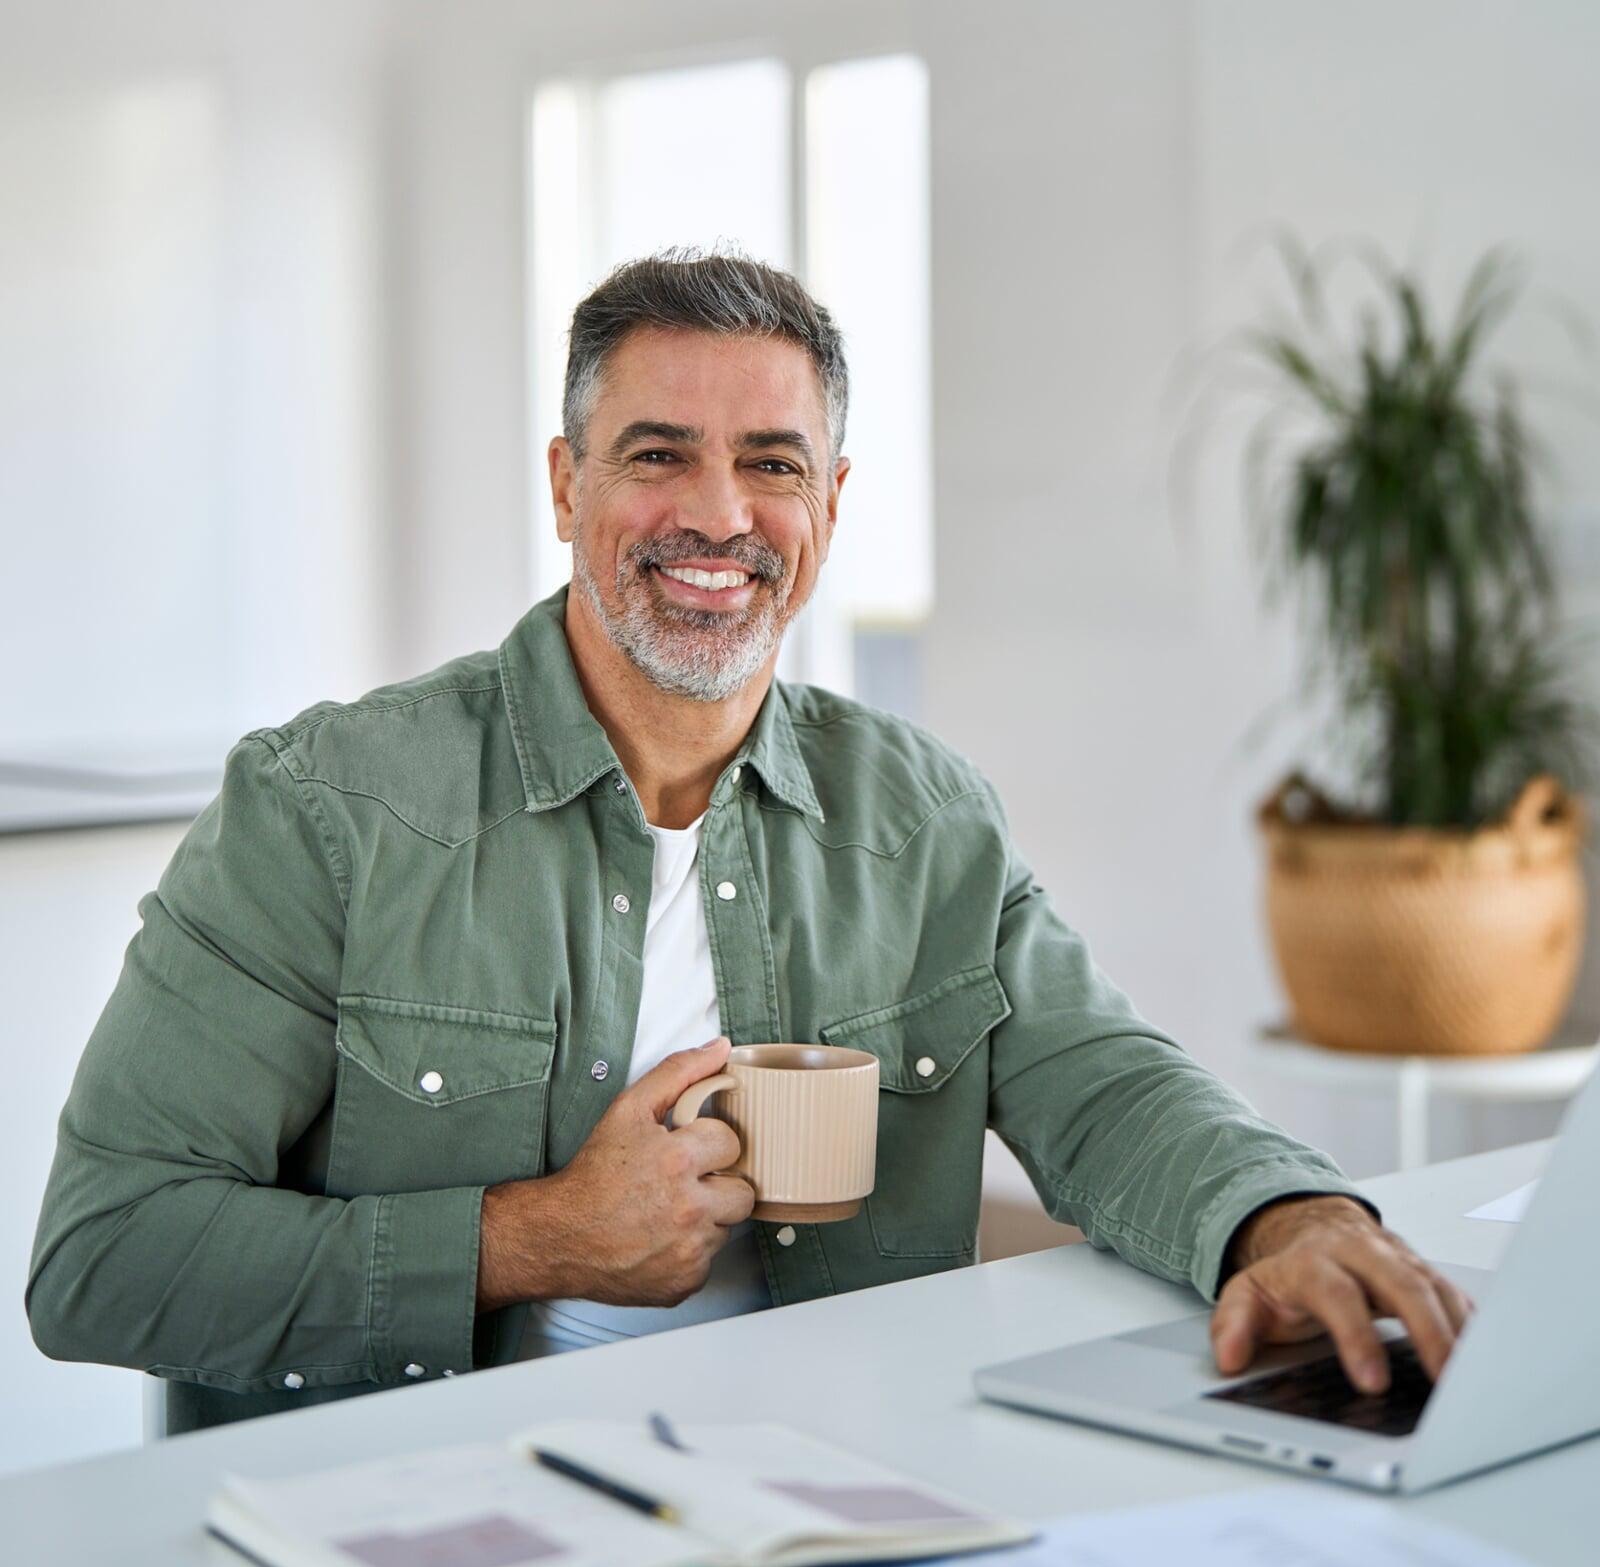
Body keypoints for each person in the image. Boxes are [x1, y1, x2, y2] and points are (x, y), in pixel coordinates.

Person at [28, 250, 1472, 1434]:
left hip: (820, 1475)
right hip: (404, 1511)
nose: (718, 516)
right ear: (565, 485)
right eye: (659, 454)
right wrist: (530, 1237)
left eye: (773, 464)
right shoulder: (322, 808)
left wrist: (1288, 1219)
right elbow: (102, 1257)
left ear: (829, 506)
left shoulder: (922, 817)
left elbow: (1102, 1085)